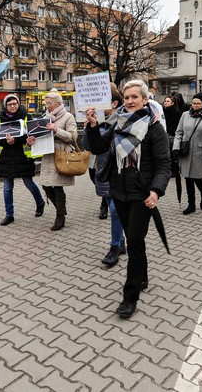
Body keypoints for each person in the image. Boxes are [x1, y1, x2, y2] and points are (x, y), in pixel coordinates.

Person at [84, 80, 170, 319]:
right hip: (118, 190)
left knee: (133, 240)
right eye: (127, 97)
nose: (130, 101)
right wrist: (92, 126)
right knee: (136, 242)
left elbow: (164, 164)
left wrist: (156, 191)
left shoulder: (155, 128)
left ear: (145, 100)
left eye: (135, 97)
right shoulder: (117, 122)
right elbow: (99, 148)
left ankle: (129, 297)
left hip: (142, 194)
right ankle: (142, 274)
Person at [82, 86, 126, 267]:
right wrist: (88, 128)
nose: (96, 105)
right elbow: (88, 146)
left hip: (119, 171)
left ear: (114, 103)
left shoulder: (124, 120)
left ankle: (114, 246)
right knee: (110, 204)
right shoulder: (96, 119)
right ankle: (121, 240)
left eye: (102, 101)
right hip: (102, 170)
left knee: (115, 210)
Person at [0, 94, 45, 226]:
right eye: (9, 104)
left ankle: (40, 202)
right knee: (7, 188)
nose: (12, 106)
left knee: (29, 183)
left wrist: (16, 140)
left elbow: (31, 135)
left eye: (14, 104)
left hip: (23, 157)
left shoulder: (27, 117)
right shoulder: (1, 119)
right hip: (6, 158)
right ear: (6, 106)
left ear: (18, 104)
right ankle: (9, 215)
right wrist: (6, 141)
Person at [30, 91, 78, 231]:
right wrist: (31, 140)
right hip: (47, 155)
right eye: (46, 103)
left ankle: (60, 217)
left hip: (60, 155)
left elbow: (73, 137)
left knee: (57, 187)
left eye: (50, 103)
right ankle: (61, 209)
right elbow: (38, 135)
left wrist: (56, 129)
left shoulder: (68, 117)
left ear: (58, 103)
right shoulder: (45, 117)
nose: (48, 106)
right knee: (46, 185)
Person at [172, 93, 202, 215]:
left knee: (198, 178)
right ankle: (191, 204)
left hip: (201, 152)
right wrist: (176, 147)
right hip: (186, 152)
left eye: (198, 103)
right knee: (188, 178)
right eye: (194, 103)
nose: (195, 105)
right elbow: (179, 132)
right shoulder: (185, 115)